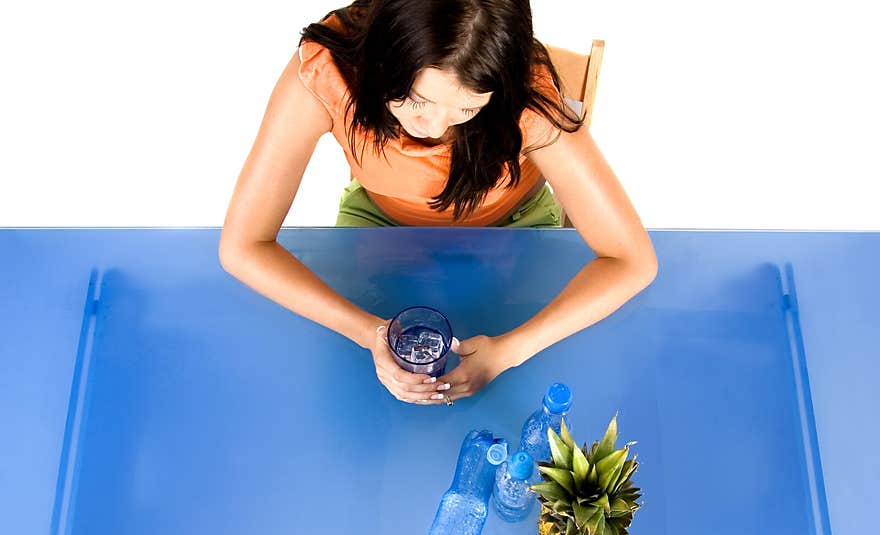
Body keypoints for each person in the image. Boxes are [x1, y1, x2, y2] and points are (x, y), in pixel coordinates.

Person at [218, 0, 657, 406]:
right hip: (380, 220)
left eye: (466, 109)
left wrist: (510, 351)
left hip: (514, 224)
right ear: (382, 61)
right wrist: (368, 332)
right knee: (341, 389)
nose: (434, 128)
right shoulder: (328, 69)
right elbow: (243, 246)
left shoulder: (527, 97)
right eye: (415, 100)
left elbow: (631, 260)